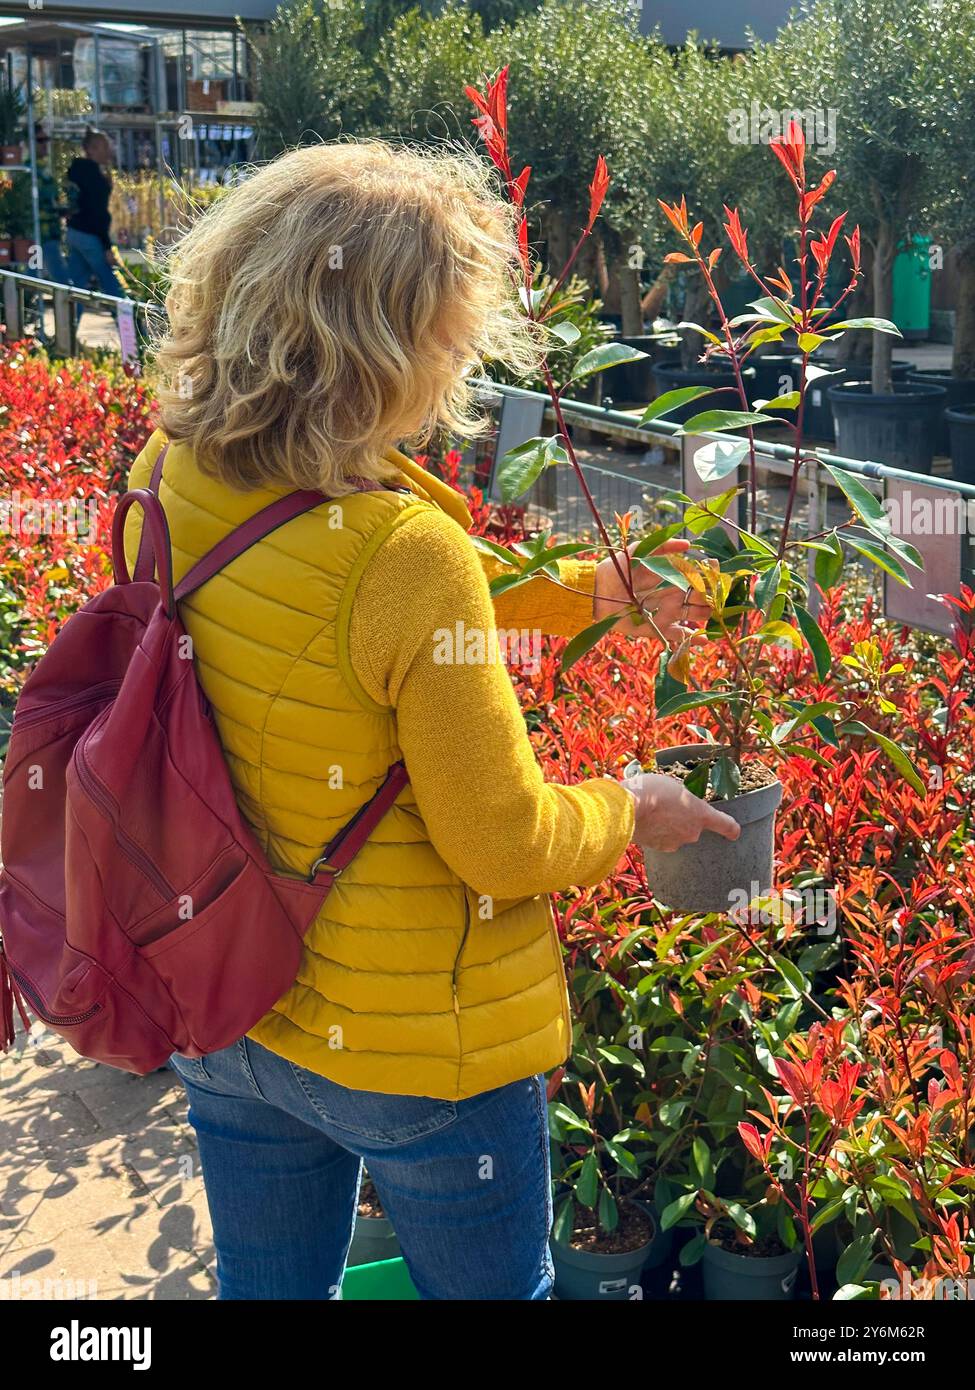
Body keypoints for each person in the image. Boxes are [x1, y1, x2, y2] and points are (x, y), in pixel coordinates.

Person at [122, 141, 740, 1301]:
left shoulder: (171, 469)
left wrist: (579, 594)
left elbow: (329, 610)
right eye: (451, 338)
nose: (458, 366)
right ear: (390, 348)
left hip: (222, 998)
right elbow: (500, 839)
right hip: (420, 1053)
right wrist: (632, 806)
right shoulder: (408, 553)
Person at [64, 126, 126, 297]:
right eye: (105, 147)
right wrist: (107, 247)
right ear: (91, 150)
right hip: (89, 236)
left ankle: (68, 321)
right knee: (111, 284)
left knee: (76, 285)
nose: (109, 151)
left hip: (74, 232)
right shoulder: (95, 177)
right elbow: (98, 213)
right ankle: (128, 322)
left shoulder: (76, 171)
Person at [33, 125, 70, 285]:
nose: (45, 144)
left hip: (47, 234)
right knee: (61, 281)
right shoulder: (30, 172)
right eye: (40, 140)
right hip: (42, 234)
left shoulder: (43, 170)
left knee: (32, 276)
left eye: (46, 140)